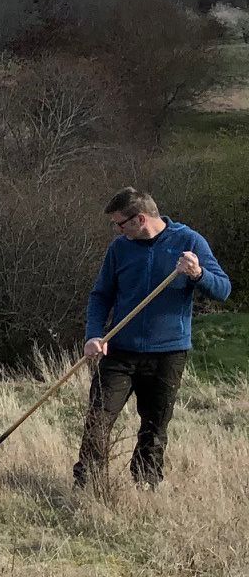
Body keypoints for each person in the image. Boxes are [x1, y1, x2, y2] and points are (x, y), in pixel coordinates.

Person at [74, 187, 231, 489]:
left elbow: (223, 289)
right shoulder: (120, 249)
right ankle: (87, 484)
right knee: (98, 420)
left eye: (119, 223)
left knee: (155, 427)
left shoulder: (189, 241)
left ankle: (146, 483)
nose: (116, 230)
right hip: (118, 350)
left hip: (168, 354)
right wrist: (94, 335)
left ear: (140, 219)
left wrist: (198, 274)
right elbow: (100, 295)